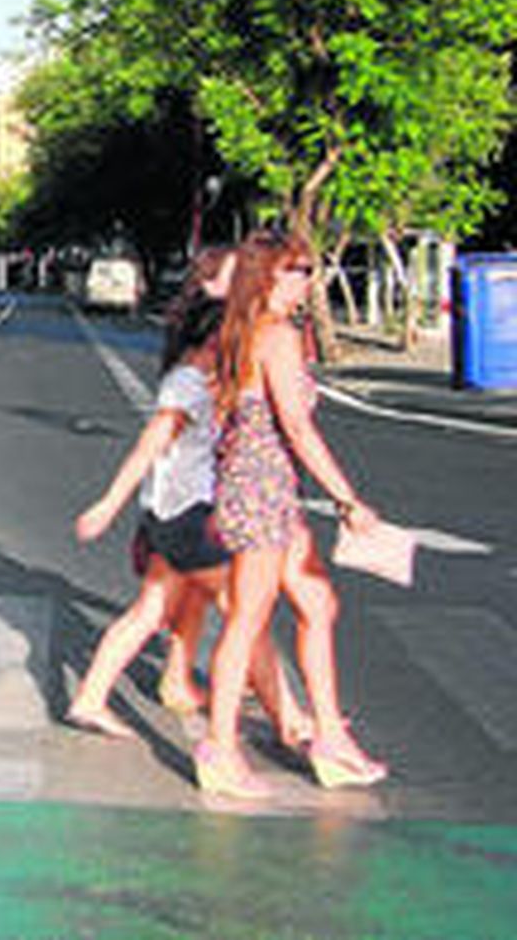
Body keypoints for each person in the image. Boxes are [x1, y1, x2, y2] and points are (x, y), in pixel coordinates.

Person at [69, 251, 308, 743]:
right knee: (248, 617)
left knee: (150, 612)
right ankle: (292, 721)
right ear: (211, 338)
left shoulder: (206, 377)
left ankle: (90, 699)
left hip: (173, 514)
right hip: (186, 517)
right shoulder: (192, 381)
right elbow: (150, 445)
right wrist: (108, 505)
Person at [195, 230, 388, 798]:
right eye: (297, 269)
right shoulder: (274, 335)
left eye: (308, 268)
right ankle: (220, 748)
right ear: (268, 276)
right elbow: (298, 428)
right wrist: (347, 499)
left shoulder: (250, 330)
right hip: (261, 490)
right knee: (248, 619)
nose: (308, 278)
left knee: (317, 603)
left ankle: (329, 735)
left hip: (266, 488)